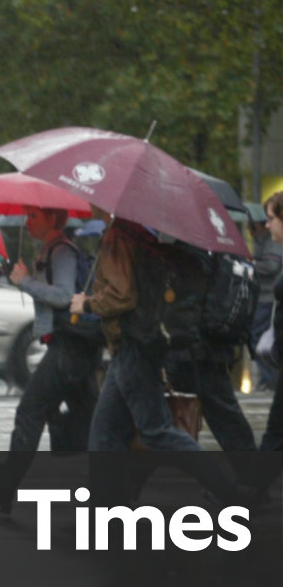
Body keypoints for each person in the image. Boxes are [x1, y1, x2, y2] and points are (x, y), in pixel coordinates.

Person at [72, 207, 248, 504]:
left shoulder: (118, 235)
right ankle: (104, 513)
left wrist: (87, 304)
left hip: (133, 345)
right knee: (104, 435)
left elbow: (122, 297)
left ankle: (229, 492)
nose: (89, 203)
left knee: (156, 432)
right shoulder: (138, 231)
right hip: (138, 344)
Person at [0, 207, 102, 511]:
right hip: (73, 349)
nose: (28, 222)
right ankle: (114, 493)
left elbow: (64, 296)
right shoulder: (49, 251)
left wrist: (26, 282)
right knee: (96, 424)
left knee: (29, 415)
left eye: (34, 217)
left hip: (68, 349)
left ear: (53, 219)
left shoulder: (62, 252)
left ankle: (1, 495)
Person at [251, 218, 282, 391]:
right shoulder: (263, 242)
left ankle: (271, 379)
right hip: (263, 296)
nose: (251, 232)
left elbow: (272, 265)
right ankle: (269, 379)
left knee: (260, 337)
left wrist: (253, 264)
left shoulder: (272, 243)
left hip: (267, 297)